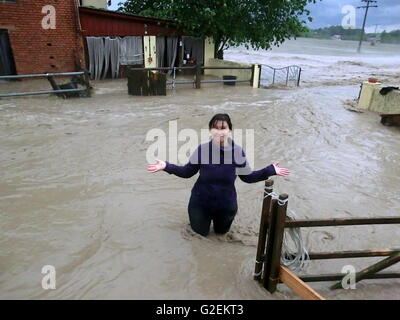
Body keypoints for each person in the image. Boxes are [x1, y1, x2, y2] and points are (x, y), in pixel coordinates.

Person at [147, 113, 290, 237]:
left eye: (223, 128)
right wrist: (166, 166)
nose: (219, 132)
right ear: (210, 130)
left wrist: (270, 170)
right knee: (199, 238)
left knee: (221, 236)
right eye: (215, 128)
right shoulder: (202, 150)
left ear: (230, 130)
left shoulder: (237, 152)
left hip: (226, 205)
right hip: (200, 204)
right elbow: (187, 172)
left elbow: (248, 177)